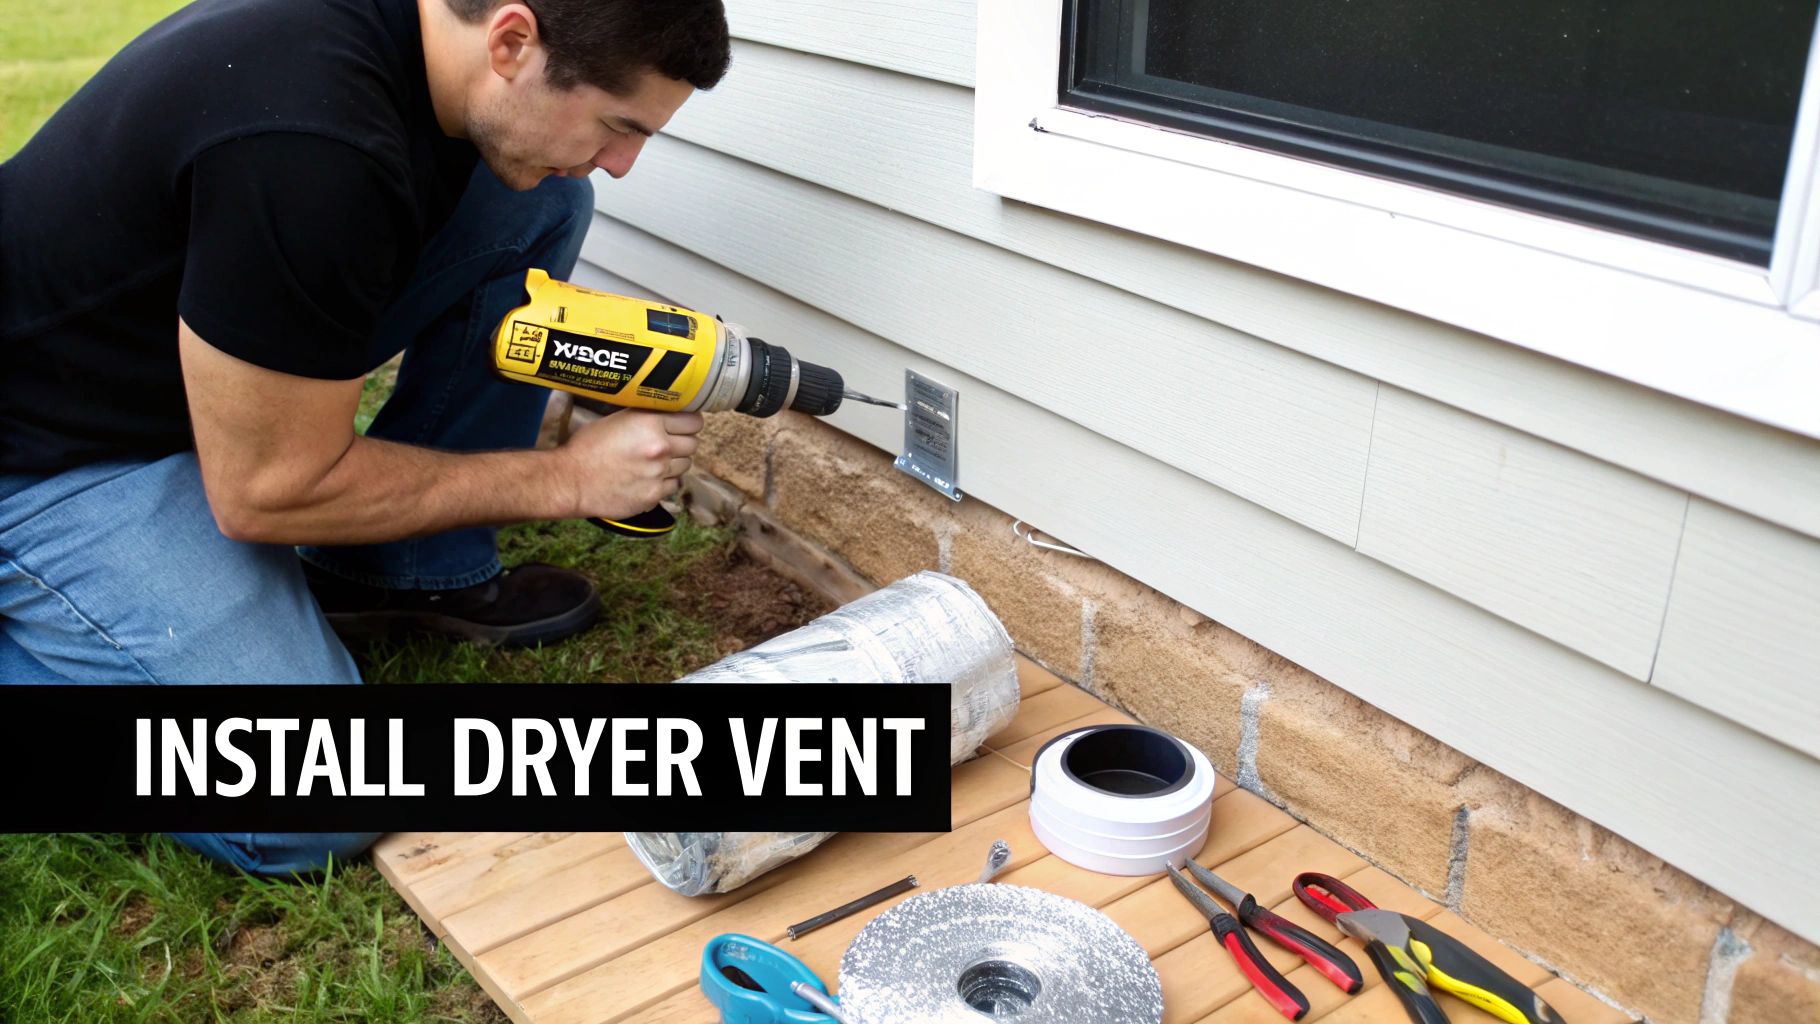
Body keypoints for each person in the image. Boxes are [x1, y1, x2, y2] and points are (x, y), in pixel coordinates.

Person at [0, 0, 730, 873]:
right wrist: (569, 481)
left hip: (152, 362)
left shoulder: (410, 45)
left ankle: (403, 570)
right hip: (45, 456)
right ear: (509, 40)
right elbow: (267, 490)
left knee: (538, 205)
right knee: (324, 797)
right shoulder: (313, 146)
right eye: (619, 126)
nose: (622, 164)